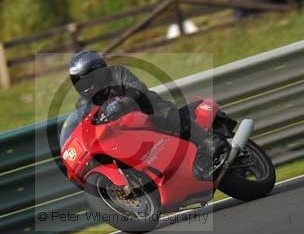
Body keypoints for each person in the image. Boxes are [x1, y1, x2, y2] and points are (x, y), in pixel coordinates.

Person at [68, 51, 223, 180]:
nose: (83, 86)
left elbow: (138, 88)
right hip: (120, 131)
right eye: (79, 82)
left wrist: (123, 103)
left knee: (166, 115)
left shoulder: (117, 73)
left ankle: (207, 143)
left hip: (146, 110)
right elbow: (87, 126)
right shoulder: (83, 104)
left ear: (99, 73)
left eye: (86, 80)